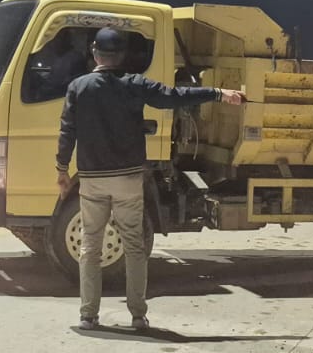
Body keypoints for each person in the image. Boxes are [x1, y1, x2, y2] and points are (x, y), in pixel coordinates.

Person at [55, 26, 244, 330]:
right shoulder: (134, 84)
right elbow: (174, 97)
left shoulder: (78, 87)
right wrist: (219, 93)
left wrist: (62, 170)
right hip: (128, 178)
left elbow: (67, 132)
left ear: (94, 53)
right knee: (134, 245)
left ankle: (88, 315)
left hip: (92, 179)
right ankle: (137, 315)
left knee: (90, 245)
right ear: (122, 56)